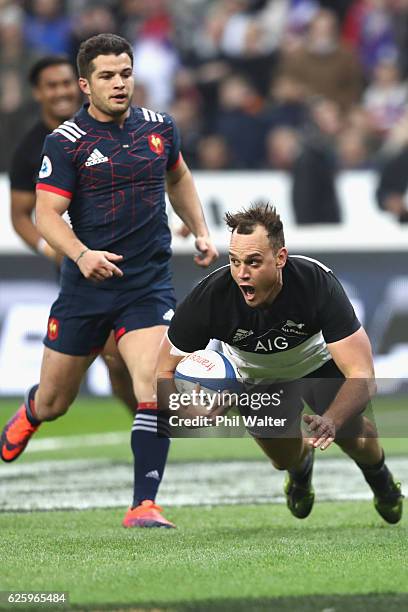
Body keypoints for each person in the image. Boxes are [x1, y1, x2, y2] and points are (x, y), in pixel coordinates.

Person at [0, 34, 218, 529]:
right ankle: (31, 412)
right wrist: (80, 254)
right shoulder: (66, 143)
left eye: (125, 73)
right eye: (106, 76)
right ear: (85, 84)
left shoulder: (160, 128)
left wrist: (201, 229)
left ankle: (144, 504)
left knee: (154, 383)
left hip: (147, 286)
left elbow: (178, 177)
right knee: (57, 401)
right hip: (86, 289)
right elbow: (45, 214)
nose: (119, 84)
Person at [158, 202, 403, 524]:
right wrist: (186, 412)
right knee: (282, 458)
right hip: (255, 377)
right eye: (234, 262)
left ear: (281, 258)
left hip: (317, 364)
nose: (242, 273)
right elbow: (163, 370)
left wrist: (331, 419)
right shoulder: (210, 298)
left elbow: (362, 375)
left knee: (353, 435)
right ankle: (301, 469)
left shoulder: (315, 282)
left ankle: (381, 480)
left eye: (254, 262)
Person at [9, 54, 137, 414]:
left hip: (129, 258)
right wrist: (48, 247)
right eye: (52, 85)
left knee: (122, 359)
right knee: (110, 359)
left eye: (66, 82)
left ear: (80, 84)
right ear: (38, 93)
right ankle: (38, 410)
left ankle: (148, 430)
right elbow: (20, 215)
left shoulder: (114, 126)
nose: (61, 91)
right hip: (79, 268)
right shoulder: (31, 150)